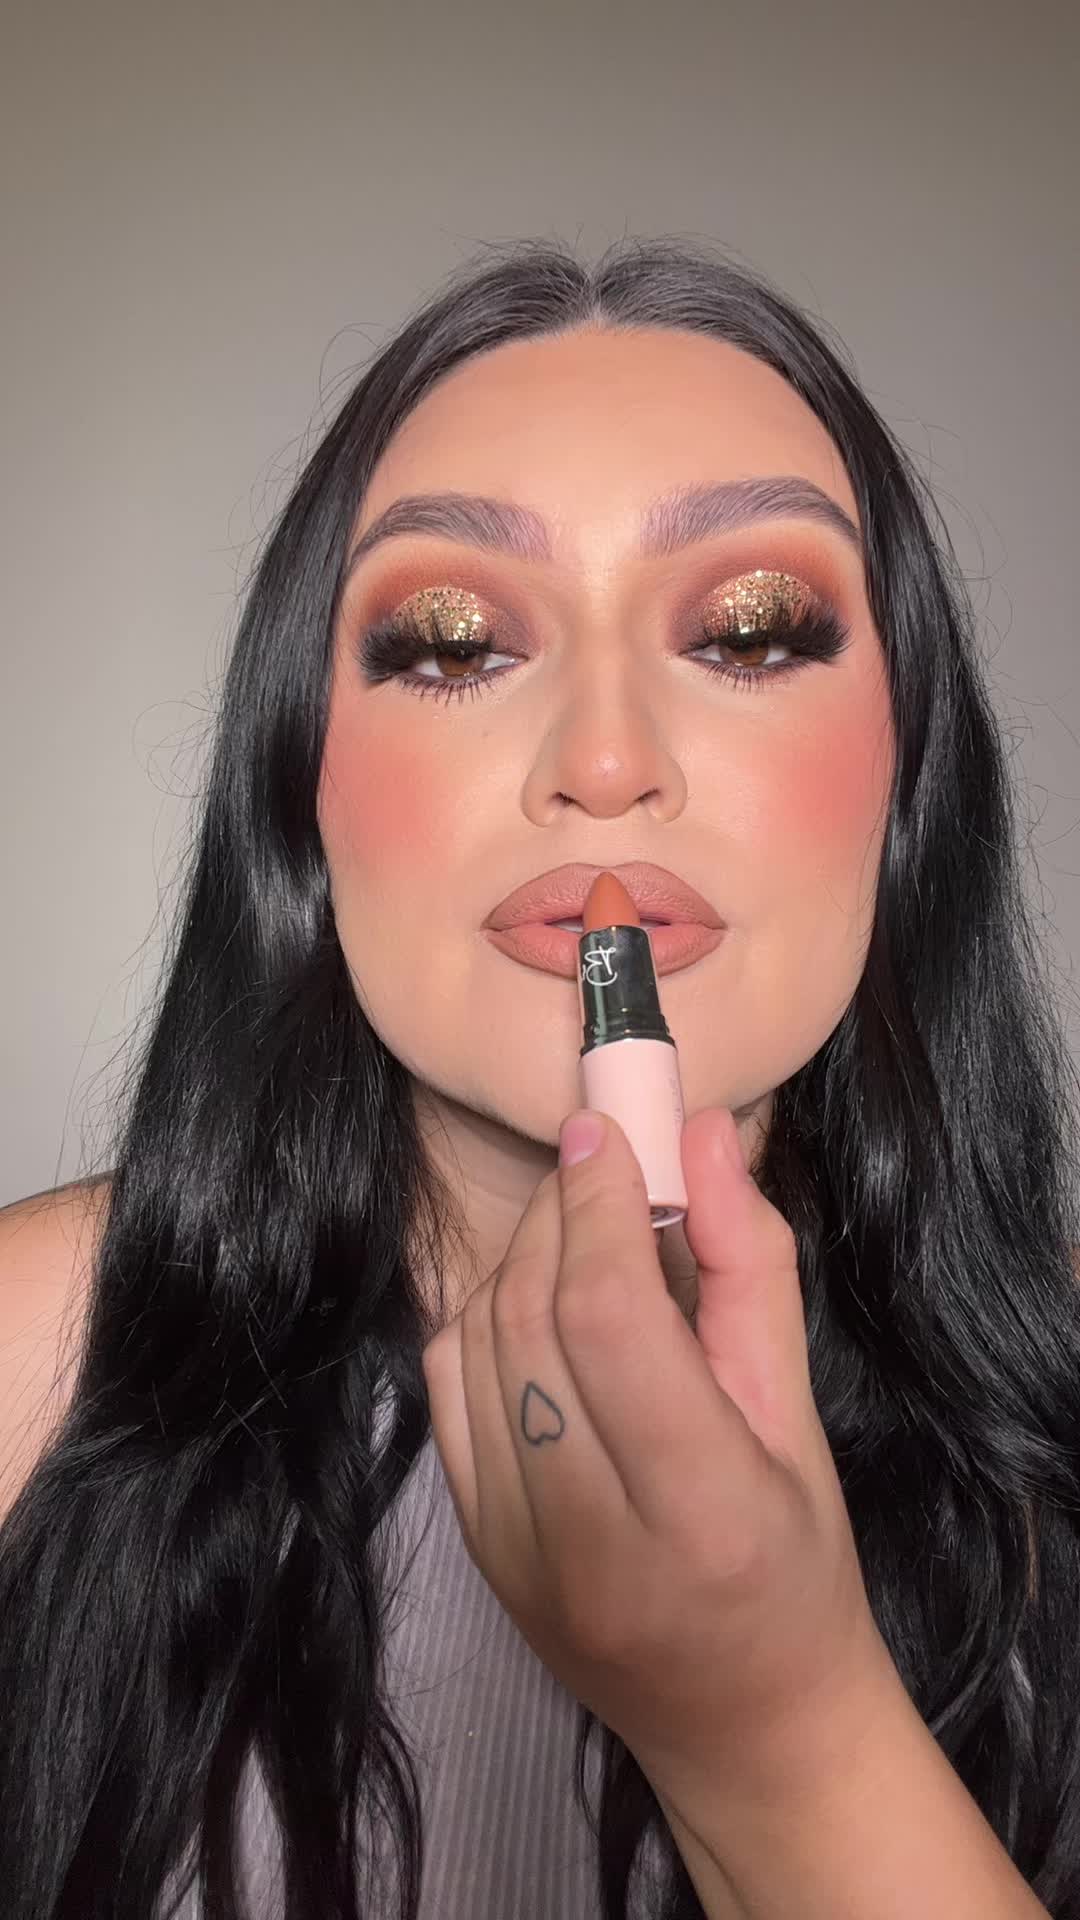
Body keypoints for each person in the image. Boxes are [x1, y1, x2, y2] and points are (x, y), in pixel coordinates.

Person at [2, 235, 1078, 1920]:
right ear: (303, 790)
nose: (604, 761)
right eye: (450, 644)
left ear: (907, 777)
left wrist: (785, 1736)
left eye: (750, 630)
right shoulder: (34, 1351)